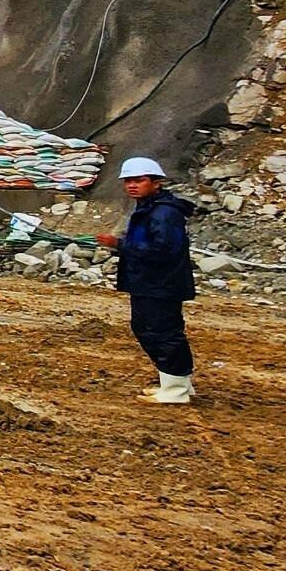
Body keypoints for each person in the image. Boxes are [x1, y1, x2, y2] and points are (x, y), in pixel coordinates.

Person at [98, 155, 197, 404]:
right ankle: (176, 383)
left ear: (156, 183)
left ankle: (176, 390)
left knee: (163, 333)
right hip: (149, 283)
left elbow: (164, 251)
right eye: (128, 181)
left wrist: (119, 245)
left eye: (139, 180)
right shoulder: (149, 209)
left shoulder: (164, 214)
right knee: (148, 329)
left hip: (161, 284)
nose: (132, 185)